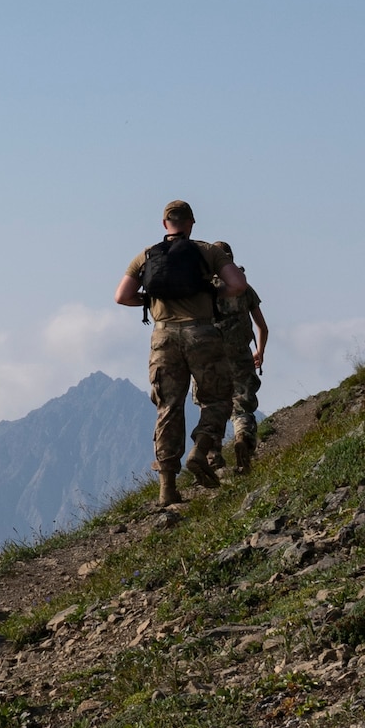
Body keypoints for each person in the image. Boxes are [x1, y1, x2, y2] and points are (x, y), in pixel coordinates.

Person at [114, 200, 248, 507]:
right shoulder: (206, 251)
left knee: (168, 408)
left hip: (163, 338)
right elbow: (238, 285)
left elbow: (121, 296)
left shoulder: (146, 256)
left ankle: (167, 488)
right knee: (217, 397)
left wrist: (149, 303)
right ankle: (200, 450)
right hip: (202, 333)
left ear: (165, 224)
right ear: (191, 223)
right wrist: (215, 295)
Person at [209, 240, 268, 474]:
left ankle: (213, 458)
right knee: (242, 408)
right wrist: (260, 352)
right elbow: (262, 326)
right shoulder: (244, 288)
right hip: (240, 356)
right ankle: (243, 438)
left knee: (210, 406)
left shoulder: (204, 289)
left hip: (209, 357)